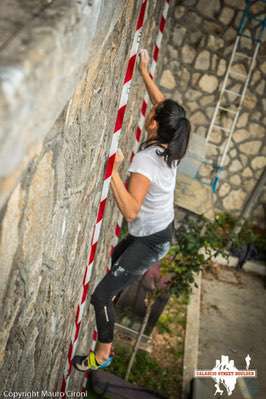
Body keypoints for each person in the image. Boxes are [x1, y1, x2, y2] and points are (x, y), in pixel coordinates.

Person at [72, 49, 191, 372]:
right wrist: (145, 74)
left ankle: (102, 355)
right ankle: (114, 296)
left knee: (99, 296)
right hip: (156, 231)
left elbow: (130, 211)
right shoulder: (174, 141)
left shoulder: (147, 162)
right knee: (115, 266)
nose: (154, 110)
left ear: (153, 125)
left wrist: (111, 170)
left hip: (151, 239)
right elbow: (165, 108)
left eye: (154, 114)